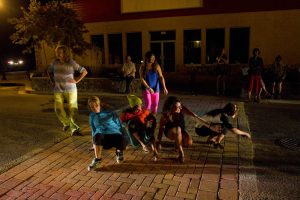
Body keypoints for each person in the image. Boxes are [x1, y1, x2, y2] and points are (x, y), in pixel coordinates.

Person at [156, 96, 221, 163]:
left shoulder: (182, 109)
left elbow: (196, 118)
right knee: (177, 129)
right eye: (177, 107)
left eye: (180, 106)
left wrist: (210, 126)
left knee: (188, 142)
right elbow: (160, 132)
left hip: (181, 131)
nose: (180, 108)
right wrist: (158, 144)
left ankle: (177, 142)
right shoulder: (165, 116)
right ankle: (181, 153)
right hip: (170, 132)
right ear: (171, 108)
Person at [47, 45, 88, 136]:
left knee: (73, 109)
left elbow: (84, 71)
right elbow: (49, 71)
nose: (57, 54)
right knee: (58, 109)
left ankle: (75, 129)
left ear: (65, 53)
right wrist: (52, 81)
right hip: (58, 89)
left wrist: (77, 80)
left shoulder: (71, 62)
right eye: (57, 52)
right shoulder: (54, 62)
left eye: (60, 52)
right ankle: (66, 123)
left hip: (71, 90)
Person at [87, 96, 126, 171]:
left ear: (100, 104)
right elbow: (93, 129)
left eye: (96, 106)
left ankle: (119, 152)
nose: (95, 108)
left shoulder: (110, 112)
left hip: (114, 133)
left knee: (119, 136)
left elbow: (118, 123)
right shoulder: (92, 116)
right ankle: (97, 160)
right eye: (92, 107)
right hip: (102, 136)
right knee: (96, 137)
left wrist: (123, 136)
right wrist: (93, 144)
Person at [120, 95, 158, 161]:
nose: (140, 107)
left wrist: (150, 127)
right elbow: (120, 124)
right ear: (134, 107)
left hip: (144, 132)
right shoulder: (126, 114)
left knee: (149, 131)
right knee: (131, 123)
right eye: (138, 106)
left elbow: (153, 119)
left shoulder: (144, 111)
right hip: (135, 138)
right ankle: (143, 145)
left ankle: (155, 152)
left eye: (140, 105)